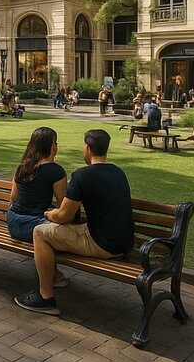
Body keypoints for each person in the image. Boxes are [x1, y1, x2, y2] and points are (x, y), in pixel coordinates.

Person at [15, 128, 133, 315]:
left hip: (101, 244)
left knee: (39, 232)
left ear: (86, 148)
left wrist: (48, 214)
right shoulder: (119, 172)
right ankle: (55, 275)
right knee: (59, 231)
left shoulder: (82, 175)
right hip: (123, 242)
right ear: (106, 149)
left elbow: (64, 217)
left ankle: (46, 297)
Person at [7, 127, 67, 285]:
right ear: (51, 146)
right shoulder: (56, 171)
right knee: (57, 229)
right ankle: (52, 273)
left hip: (13, 222)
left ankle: (53, 271)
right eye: (55, 142)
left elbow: (13, 197)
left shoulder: (22, 167)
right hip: (36, 228)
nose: (56, 146)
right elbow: (63, 205)